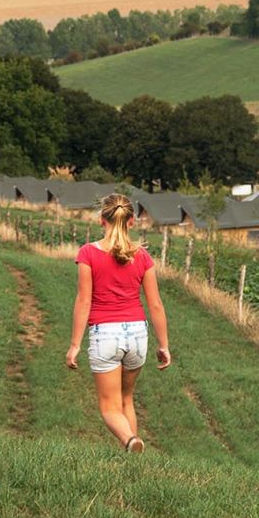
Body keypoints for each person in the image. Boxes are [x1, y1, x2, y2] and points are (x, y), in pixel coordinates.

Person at [65, 193, 171, 452]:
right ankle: (133, 462)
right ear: (132, 222)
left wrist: (75, 344)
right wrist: (164, 345)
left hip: (106, 336)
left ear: (102, 220)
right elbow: (155, 304)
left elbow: (83, 302)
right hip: (137, 335)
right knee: (126, 399)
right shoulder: (142, 257)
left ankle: (131, 441)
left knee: (109, 407)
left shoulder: (88, 253)